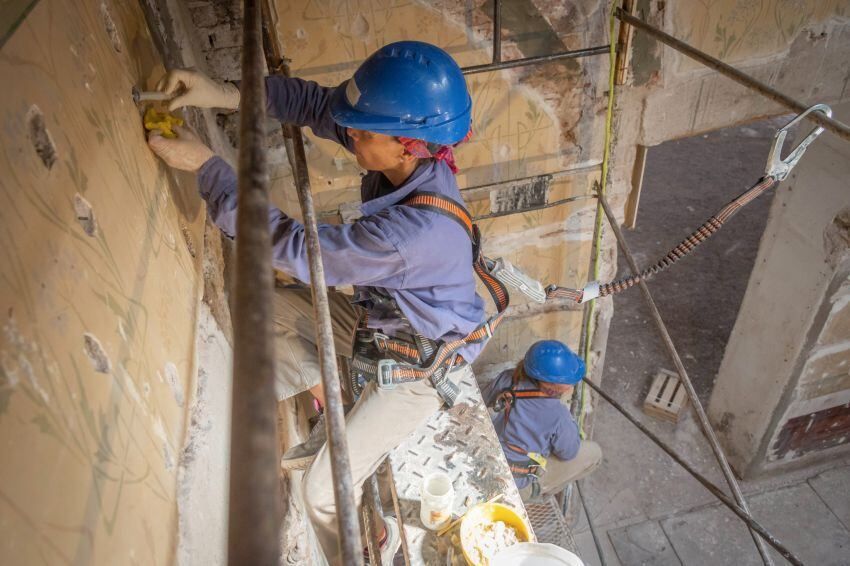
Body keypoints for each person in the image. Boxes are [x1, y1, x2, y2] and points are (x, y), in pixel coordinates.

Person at [147, 41, 486, 564]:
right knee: (270, 309)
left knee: (323, 493)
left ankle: (368, 545)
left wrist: (207, 168)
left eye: (362, 133)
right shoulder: (406, 155)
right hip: (385, 325)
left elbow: (299, 250)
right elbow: (316, 104)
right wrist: (223, 92)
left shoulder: (412, 236)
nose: (350, 134)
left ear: (408, 146)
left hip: (421, 368)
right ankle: (327, 406)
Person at [482, 340, 602, 501]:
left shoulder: (508, 378)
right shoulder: (559, 415)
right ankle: (535, 493)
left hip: (488, 457)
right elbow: (568, 452)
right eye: (569, 382)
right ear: (552, 386)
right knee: (594, 453)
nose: (572, 384)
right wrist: (570, 424)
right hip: (513, 483)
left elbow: (483, 401)